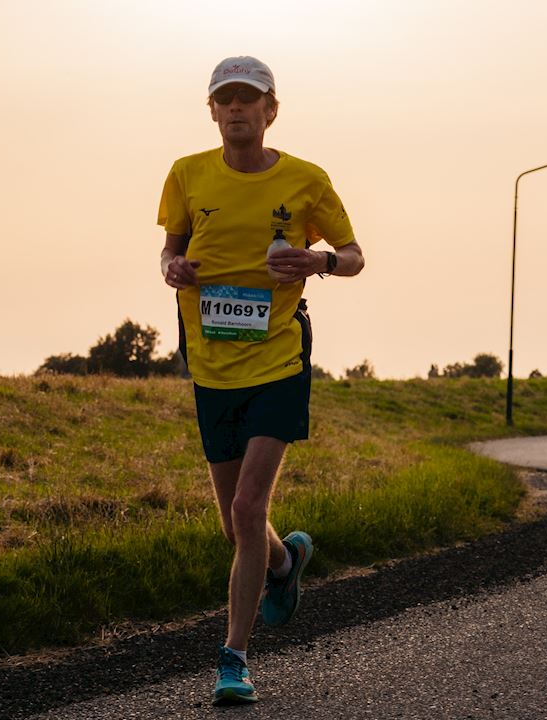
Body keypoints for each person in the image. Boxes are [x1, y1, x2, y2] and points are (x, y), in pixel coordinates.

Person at [157, 55, 365, 706]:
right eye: (227, 100)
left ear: (271, 110)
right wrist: (173, 267)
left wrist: (320, 260)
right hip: (211, 365)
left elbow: (356, 256)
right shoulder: (187, 174)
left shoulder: (308, 179)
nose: (238, 109)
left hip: (278, 359)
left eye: (251, 99)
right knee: (234, 526)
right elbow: (172, 246)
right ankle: (284, 563)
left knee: (250, 509)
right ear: (213, 111)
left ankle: (233, 660)